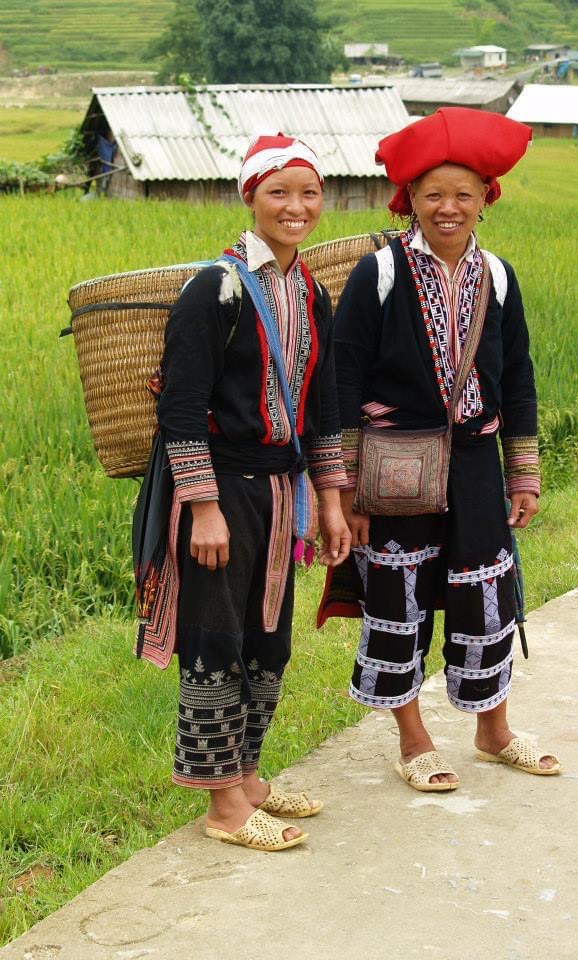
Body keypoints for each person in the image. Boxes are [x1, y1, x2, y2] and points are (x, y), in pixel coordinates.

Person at [318, 108, 561, 791]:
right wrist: (347, 491)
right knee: (398, 597)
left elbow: (519, 381)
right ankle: (413, 737)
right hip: (394, 467)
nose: (448, 207)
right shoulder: (381, 274)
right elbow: (342, 381)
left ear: (487, 199)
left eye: (463, 193)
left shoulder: (500, 278)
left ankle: (493, 729)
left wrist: (525, 473)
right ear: (411, 202)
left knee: (487, 596)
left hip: (478, 465)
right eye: (434, 194)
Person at [133, 134, 351, 850]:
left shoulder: (309, 289)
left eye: (309, 192)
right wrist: (203, 508)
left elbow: (319, 406)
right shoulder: (215, 289)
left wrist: (328, 499)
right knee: (217, 641)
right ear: (249, 198)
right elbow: (181, 407)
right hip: (220, 491)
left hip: (277, 493)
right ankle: (223, 807)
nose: (296, 207)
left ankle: (249, 777)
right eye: (279, 192)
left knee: (268, 638)